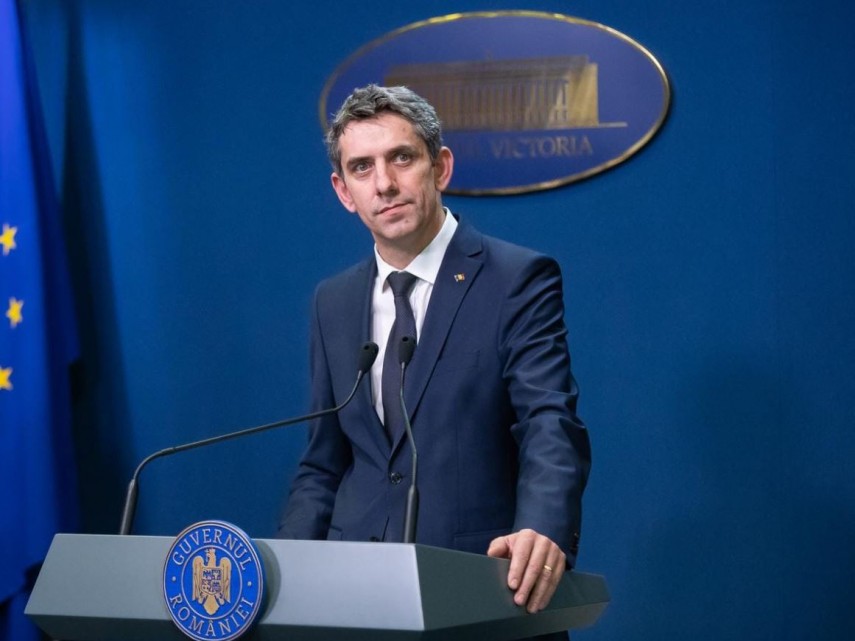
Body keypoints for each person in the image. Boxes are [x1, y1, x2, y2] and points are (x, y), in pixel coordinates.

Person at [278, 85, 591, 624]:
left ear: (440, 167)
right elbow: (323, 464)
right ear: (343, 191)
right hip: (353, 602)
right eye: (361, 168)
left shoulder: (516, 279)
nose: (384, 183)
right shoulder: (334, 301)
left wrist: (543, 526)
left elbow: (549, 420)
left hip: (478, 588)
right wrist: (281, 577)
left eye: (401, 158)